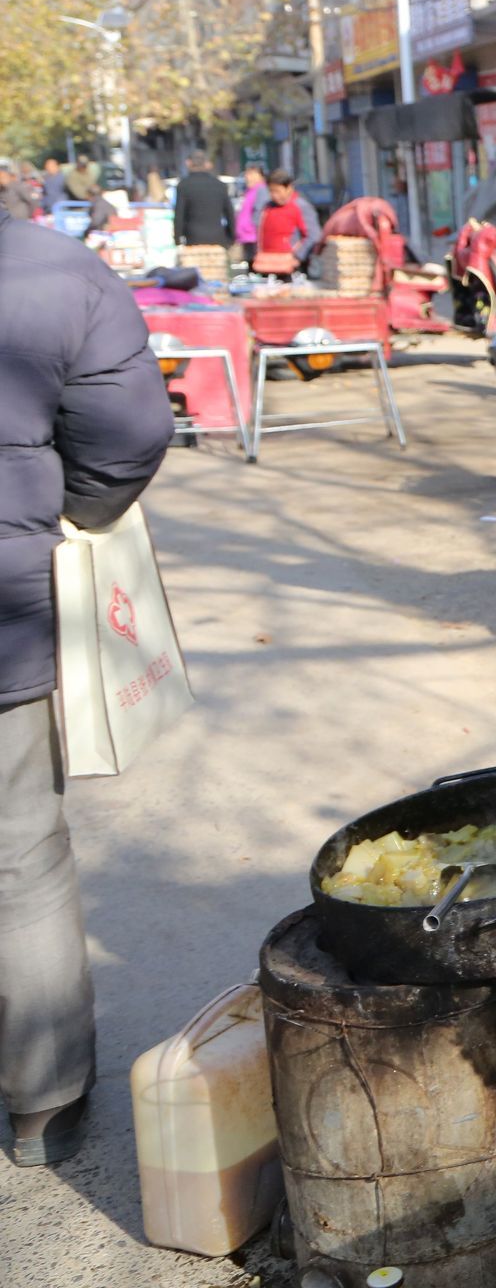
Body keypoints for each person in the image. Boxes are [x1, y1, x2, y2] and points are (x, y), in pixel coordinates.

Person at [0, 201, 175, 1165]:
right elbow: (129, 433)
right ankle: (41, 1106)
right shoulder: (55, 271)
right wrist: (65, 516)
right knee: (19, 863)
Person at [252, 171, 311, 278]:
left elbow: (312, 235)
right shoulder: (267, 207)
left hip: (290, 267)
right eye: (271, 192)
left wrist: (297, 257)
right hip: (266, 264)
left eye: (277, 191)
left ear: (289, 188)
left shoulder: (300, 206)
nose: (274, 196)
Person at [172, 153, 231, 249]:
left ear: (189, 163)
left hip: (193, 238)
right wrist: (231, 237)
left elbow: (179, 215)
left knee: (196, 263)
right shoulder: (220, 185)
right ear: (207, 164)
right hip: (218, 238)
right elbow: (229, 213)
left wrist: (177, 238)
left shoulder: (184, 185)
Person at [233, 164, 266, 269]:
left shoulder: (261, 190)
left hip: (253, 236)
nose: (248, 177)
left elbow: (260, 211)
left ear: (260, 176)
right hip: (246, 236)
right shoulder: (249, 191)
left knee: (255, 266)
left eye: (252, 174)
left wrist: (253, 226)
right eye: (247, 174)